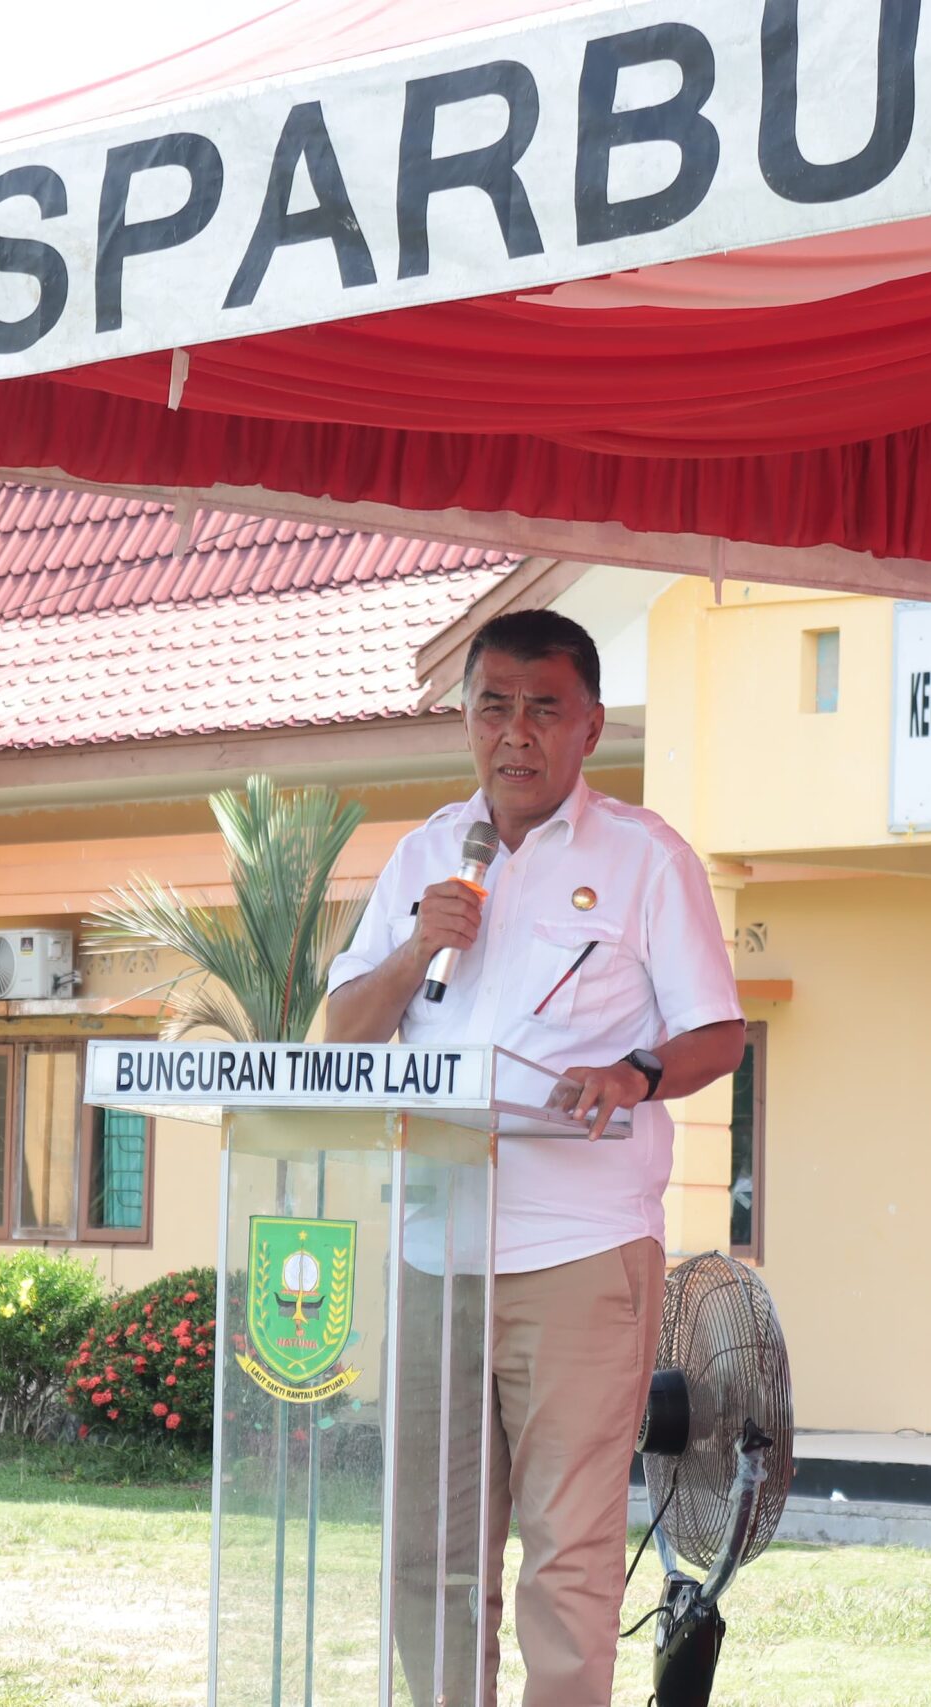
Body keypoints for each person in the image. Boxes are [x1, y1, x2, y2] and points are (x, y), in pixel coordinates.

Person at [324, 609, 746, 1707]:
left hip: (579, 1249)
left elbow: (717, 1032)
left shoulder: (644, 858)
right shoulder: (424, 857)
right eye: (492, 706)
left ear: (589, 726)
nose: (514, 733)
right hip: (435, 1246)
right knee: (429, 1550)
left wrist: (633, 1075)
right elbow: (341, 1032)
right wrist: (419, 943)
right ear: (464, 718)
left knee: (568, 1552)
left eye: (541, 708)